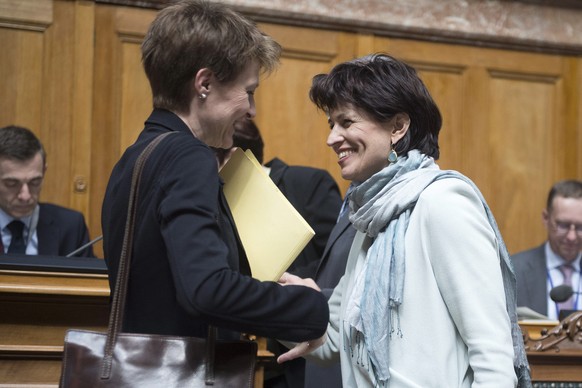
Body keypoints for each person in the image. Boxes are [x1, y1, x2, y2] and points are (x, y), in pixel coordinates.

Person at [277, 53, 530, 387]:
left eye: (347, 122)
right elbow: (336, 341)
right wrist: (283, 303)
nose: (332, 138)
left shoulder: (442, 203)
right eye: (331, 124)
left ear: (398, 126)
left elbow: (494, 357)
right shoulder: (369, 219)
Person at [101, 0, 328, 353]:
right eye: (249, 91)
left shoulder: (136, 156)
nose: (252, 109)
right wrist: (308, 307)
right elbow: (206, 290)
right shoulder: (189, 156)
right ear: (204, 83)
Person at [216, 119, 342, 388]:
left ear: (234, 156)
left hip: (298, 354)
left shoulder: (308, 183)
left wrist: (279, 282)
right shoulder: (213, 199)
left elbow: (336, 258)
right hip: (239, 355)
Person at [0, 125, 94, 257]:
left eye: (35, 182)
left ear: (44, 171)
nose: (25, 196)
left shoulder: (70, 226)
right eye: (12, 183)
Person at [513, 179, 582, 321]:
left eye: (580, 227)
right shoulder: (514, 271)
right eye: (563, 225)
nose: (571, 236)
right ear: (546, 218)